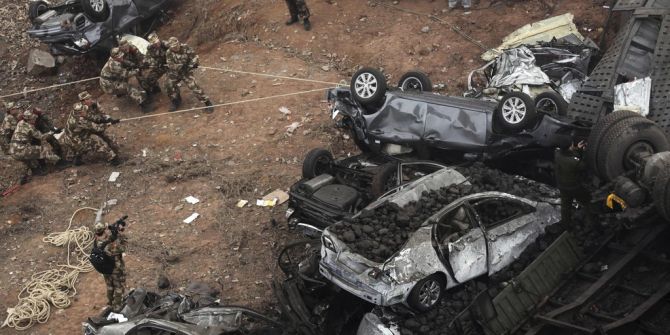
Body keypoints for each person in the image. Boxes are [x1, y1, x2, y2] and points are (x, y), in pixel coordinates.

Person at [60, 91, 120, 166]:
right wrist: (109, 123)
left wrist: (105, 120)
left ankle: (75, 159)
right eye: (88, 99)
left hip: (75, 136)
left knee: (80, 141)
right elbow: (97, 128)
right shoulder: (80, 120)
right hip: (76, 140)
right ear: (83, 101)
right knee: (96, 141)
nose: (90, 100)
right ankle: (113, 159)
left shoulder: (77, 110)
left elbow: (89, 116)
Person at [9, 109, 60, 183]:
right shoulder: (29, 127)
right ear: (28, 119)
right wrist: (53, 132)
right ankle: (59, 162)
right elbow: (42, 137)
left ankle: (31, 175)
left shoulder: (20, 123)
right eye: (33, 118)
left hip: (13, 150)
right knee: (43, 150)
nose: (35, 120)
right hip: (20, 149)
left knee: (29, 159)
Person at [165, 37, 213, 113]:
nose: (175, 48)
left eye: (176, 45)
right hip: (176, 72)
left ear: (178, 43)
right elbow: (170, 64)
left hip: (186, 71)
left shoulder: (185, 47)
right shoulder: (168, 52)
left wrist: (191, 64)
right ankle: (176, 101)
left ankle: (207, 103)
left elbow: (195, 57)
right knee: (169, 84)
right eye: (173, 47)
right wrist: (179, 67)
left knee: (194, 86)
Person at [554, 137, 594, 227]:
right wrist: (582, 152)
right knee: (587, 201)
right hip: (574, 187)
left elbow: (569, 156)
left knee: (565, 206)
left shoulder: (557, 154)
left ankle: (566, 224)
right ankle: (592, 221)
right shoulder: (573, 162)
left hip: (562, 185)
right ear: (570, 147)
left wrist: (577, 149)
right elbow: (583, 166)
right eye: (572, 144)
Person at [93, 222, 126, 313]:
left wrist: (113, 232)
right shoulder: (110, 245)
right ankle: (117, 307)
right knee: (119, 287)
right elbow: (123, 247)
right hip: (116, 269)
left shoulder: (96, 241)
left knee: (110, 286)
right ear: (104, 230)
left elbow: (108, 239)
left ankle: (110, 303)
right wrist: (120, 234)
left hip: (106, 269)